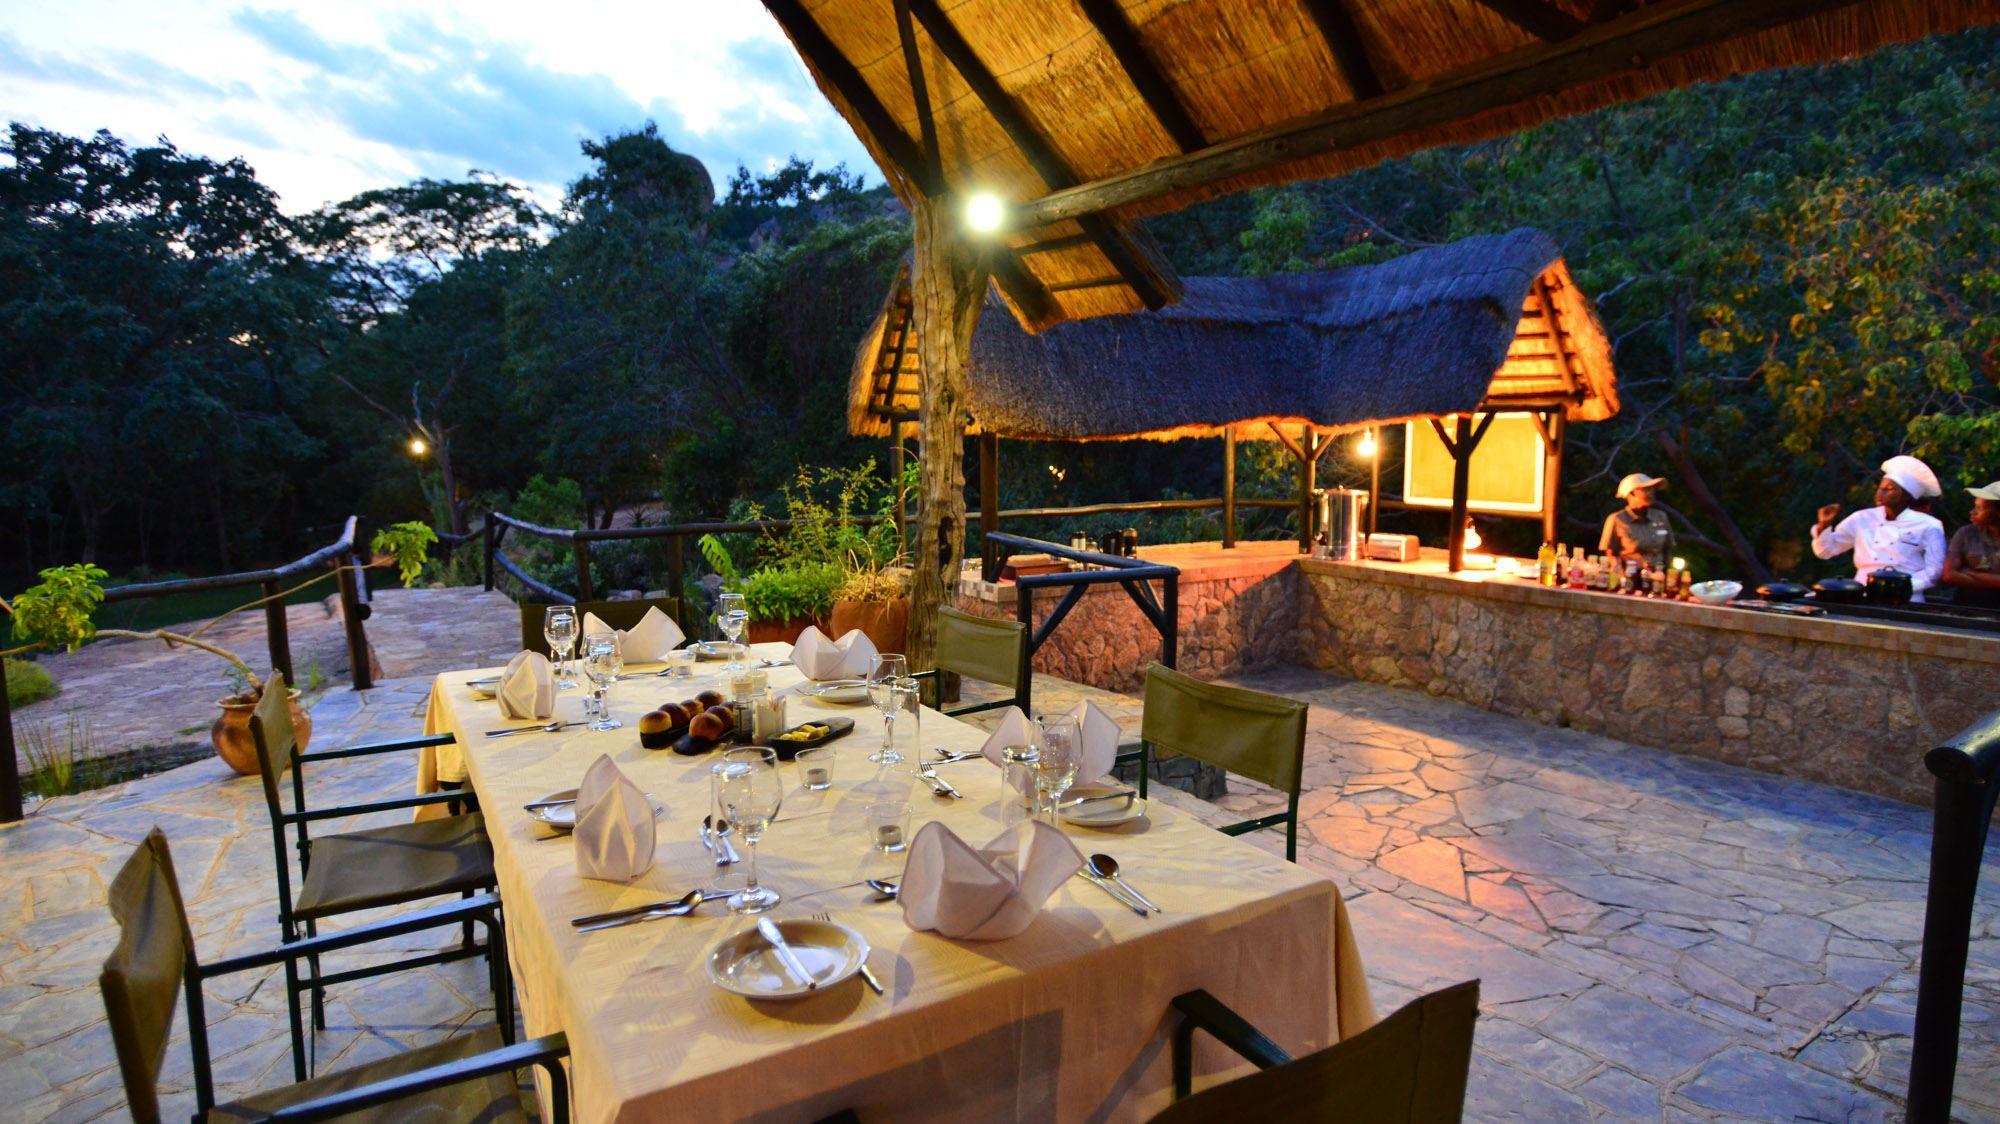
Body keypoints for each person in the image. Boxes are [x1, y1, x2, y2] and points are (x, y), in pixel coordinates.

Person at [1811, 454, 1947, 600]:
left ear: (1907, 496)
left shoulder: (1929, 525)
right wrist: (1824, 525)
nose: (1880, 493)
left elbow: (1934, 571)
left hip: (1906, 597)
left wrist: (1900, 586)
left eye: (1889, 489)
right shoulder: (1862, 518)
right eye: (1880, 488)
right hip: (1863, 592)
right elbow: (1825, 551)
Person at [1943, 480, 2000, 610]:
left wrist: (1972, 574)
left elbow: (1956, 574)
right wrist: (1995, 581)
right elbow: (1949, 575)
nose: (1972, 512)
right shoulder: (1966, 533)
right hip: (1965, 606)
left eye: (1979, 508)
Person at [1599, 473, 1674, 570]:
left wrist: (1667, 572)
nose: (1651, 493)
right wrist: (1619, 571)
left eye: (1652, 489)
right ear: (1631, 493)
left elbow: (1667, 548)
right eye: (1646, 489)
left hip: (1658, 574)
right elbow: (1610, 552)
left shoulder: (1661, 517)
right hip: (1630, 573)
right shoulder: (1617, 519)